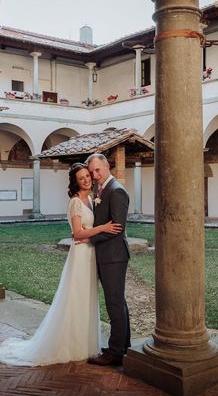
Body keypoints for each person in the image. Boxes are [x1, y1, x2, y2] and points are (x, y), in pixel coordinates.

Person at [0, 162, 122, 366]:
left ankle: (86, 344)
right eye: (82, 178)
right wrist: (102, 227)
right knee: (76, 297)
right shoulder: (75, 202)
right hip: (80, 255)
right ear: (75, 182)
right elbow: (77, 233)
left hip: (91, 254)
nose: (87, 179)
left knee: (88, 297)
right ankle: (70, 345)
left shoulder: (91, 199)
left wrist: (96, 233)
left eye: (88, 175)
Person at [83, 153, 131, 366]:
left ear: (107, 166)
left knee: (114, 303)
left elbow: (117, 229)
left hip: (113, 256)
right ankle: (123, 346)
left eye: (97, 170)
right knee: (118, 301)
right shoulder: (102, 190)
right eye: (91, 171)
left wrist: (90, 238)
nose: (94, 175)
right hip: (108, 255)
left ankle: (115, 352)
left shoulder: (116, 190)